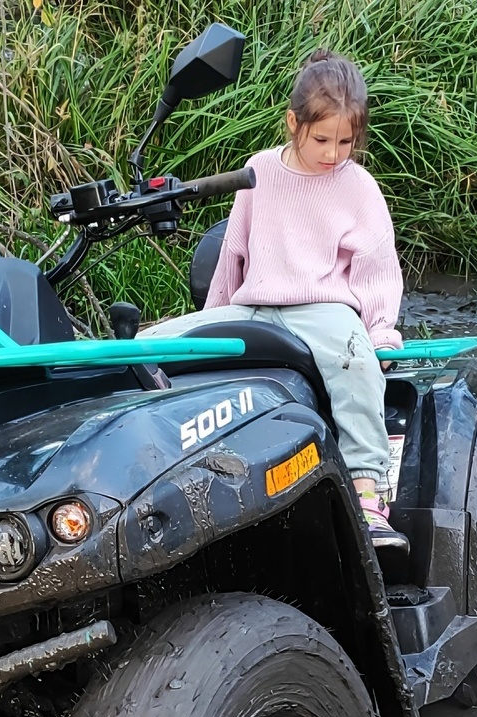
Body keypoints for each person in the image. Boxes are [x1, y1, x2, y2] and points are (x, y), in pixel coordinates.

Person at [143, 49, 408, 550]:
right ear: (293, 123)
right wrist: (209, 322)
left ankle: (368, 493)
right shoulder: (259, 171)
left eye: (346, 142)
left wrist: (379, 333)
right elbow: (233, 253)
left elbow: (376, 269)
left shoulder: (358, 186)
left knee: (355, 365)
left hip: (323, 308)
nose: (333, 153)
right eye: (322, 139)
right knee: (151, 343)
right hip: (253, 305)